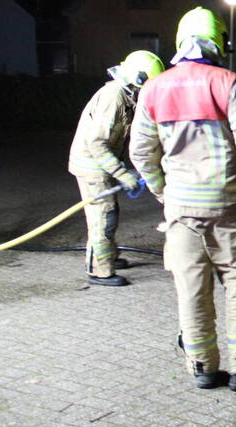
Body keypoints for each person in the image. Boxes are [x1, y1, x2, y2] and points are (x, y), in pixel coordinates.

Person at [130, 7, 236, 392]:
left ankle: (201, 367)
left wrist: (162, 189)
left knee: (192, 289)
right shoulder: (228, 81)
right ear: (219, 41)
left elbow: (140, 153)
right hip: (228, 205)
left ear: (179, 42)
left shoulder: (153, 88)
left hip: (181, 210)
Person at [68, 50, 164, 287]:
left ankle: (108, 256)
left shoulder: (125, 95)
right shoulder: (114, 97)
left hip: (101, 164)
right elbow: (97, 142)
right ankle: (100, 271)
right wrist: (121, 173)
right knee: (103, 217)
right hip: (92, 166)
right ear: (139, 80)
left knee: (110, 213)